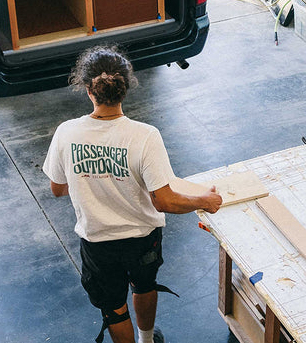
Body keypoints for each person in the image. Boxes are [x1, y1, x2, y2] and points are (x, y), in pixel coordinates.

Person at [43, 46, 222, 343]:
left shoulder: (67, 132)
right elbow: (164, 200)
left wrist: (85, 174)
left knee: (114, 307)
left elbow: (57, 189)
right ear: (126, 88)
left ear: (88, 89)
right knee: (143, 284)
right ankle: (147, 339)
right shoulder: (144, 135)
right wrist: (205, 201)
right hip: (142, 238)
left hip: (97, 241)